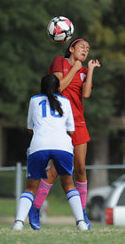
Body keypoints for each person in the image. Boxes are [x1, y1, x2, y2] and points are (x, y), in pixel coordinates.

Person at [28, 37, 100, 230]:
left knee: (81, 168)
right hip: (59, 122)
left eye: (88, 49)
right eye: (82, 47)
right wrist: (74, 69)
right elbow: (58, 87)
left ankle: (81, 213)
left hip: (79, 122)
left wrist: (90, 70)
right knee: (54, 171)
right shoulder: (60, 61)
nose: (85, 50)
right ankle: (35, 208)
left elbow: (86, 94)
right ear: (71, 48)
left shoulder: (83, 71)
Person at [12, 75, 88, 231]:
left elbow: (30, 128)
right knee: (69, 184)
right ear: (59, 88)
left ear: (41, 87)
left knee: (30, 187)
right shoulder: (65, 102)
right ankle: (81, 223)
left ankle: (18, 223)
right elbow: (71, 131)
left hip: (39, 145)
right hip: (63, 146)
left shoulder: (34, 100)